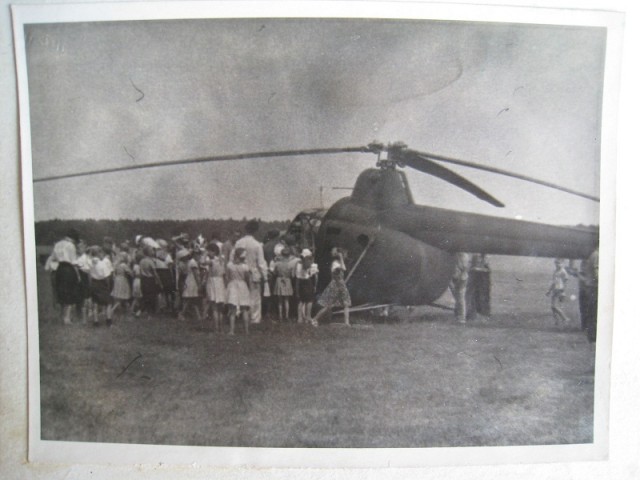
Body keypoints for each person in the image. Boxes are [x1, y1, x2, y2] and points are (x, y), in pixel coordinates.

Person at [233, 220, 268, 324]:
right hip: (253, 272)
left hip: (240, 271)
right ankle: (254, 318)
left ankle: (240, 315)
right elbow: (261, 262)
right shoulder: (257, 244)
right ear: (256, 231)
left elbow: (233, 257)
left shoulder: (239, 242)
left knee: (241, 294)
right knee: (255, 296)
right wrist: (265, 276)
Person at [312, 247, 351, 326]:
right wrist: (341, 258)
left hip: (341, 284)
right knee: (328, 306)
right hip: (335, 285)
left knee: (346, 304)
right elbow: (343, 268)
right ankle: (315, 319)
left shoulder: (338, 262)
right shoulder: (335, 263)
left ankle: (347, 323)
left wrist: (341, 259)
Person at [51, 230, 81, 324]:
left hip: (59, 269)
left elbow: (54, 258)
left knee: (61, 292)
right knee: (69, 292)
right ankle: (67, 318)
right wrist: (78, 275)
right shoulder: (71, 245)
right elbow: (73, 261)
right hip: (69, 269)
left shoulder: (57, 244)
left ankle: (62, 316)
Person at [226, 248, 251, 335]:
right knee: (244, 309)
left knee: (232, 310)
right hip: (242, 285)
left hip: (232, 285)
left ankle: (231, 331)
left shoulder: (229, 265)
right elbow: (247, 278)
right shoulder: (245, 267)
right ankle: (246, 331)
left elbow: (227, 277)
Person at [88, 246, 114, 326]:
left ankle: (96, 321)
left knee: (95, 303)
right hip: (102, 283)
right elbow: (106, 276)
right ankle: (108, 321)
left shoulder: (91, 263)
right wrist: (108, 285)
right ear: (99, 253)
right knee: (108, 303)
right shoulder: (102, 264)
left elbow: (89, 275)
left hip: (94, 283)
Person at [203, 243, 226, 333]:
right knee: (220, 307)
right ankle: (221, 328)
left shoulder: (212, 261)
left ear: (213, 251)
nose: (208, 253)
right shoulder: (221, 260)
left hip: (213, 282)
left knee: (214, 308)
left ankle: (216, 329)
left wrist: (204, 254)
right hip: (220, 282)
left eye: (209, 251)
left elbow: (202, 262)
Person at [579, 248, 599, 342]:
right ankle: (592, 336)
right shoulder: (597, 255)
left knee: (592, 312)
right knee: (593, 313)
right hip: (594, 287)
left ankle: (591, 335)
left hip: (590, 286)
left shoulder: (593, 254)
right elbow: (596, 272)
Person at [178, 249, 202, 321]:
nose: (199, 256)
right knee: (189, 299)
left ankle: (198, 316)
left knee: (193, 299)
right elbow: (195, 275)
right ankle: (181, 314)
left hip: (190, 281)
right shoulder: (193, 262)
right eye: (197, 255)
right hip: (192, 282)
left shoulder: (189, 262)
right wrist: (199, 284)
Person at [295, 248, 318, 324]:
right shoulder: (311, 265)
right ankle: (308, 316)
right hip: (307, 282)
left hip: (300, 282)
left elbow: (297, 277)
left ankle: (300, 318)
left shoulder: (298, 264)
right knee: (309, 300)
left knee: (301, 301)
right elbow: (314, 276)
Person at [466, 253, 491, 321]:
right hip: (477, 272)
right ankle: (476, 313)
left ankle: (481, 313)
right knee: (479, 294)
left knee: (481, 294)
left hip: (479, 272)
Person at [273, 247, 295, 322]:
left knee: (280, 300)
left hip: (279, 280)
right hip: (287, 280)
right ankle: (287, 315)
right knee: (286, 300)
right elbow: (292, 275)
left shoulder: (277, 264)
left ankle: (280, 316)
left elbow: (274, 273)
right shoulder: (290, 264)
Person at [546, 258, 571, 325]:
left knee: (555, 306)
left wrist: (563, 291)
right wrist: (549, 290)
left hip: (560, 290)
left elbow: (565, 281)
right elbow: (554, 282)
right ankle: (556, 321)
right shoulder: (555, 271)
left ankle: (565, 318)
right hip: (555, 289)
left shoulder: (563, 271)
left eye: (559, 263)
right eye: (556, 263)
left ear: (563, 264)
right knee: (552, 306)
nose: (557, 265)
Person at [109, 254, 132, 321]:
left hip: (117, 279)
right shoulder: (124, 265)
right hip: (122, 280)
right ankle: (112, 310)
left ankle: (123, 314)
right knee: (122, 297)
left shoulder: (116, 265)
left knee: (119, 296)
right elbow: (130, 272)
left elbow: (113, 272)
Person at [450, 252, 470, 324]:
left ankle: (462, 317)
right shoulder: (457, 254)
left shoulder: (463, 255)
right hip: (456, 276)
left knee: (460, 297)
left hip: (461, 278)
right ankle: (458, 314)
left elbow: (464, 268)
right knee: (458, 297)